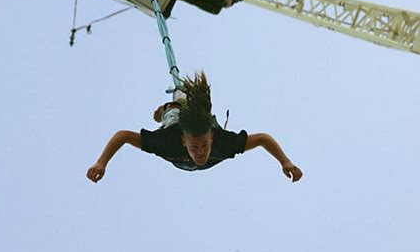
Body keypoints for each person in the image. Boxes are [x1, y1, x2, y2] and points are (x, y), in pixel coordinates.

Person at [87, 71, 303, 183]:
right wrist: (101, 162)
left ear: (212, 140)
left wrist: (285, 162)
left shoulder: (223, 142)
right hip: (174, 125)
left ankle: (182, 109)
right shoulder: (168, 141)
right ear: (184, 142)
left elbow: (263, 138)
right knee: (174, 114)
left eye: (203, 146)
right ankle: (170, 107)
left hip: (207, 127)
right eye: (195, 147)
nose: (200, 152)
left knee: (201, 120)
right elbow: (123, 135)